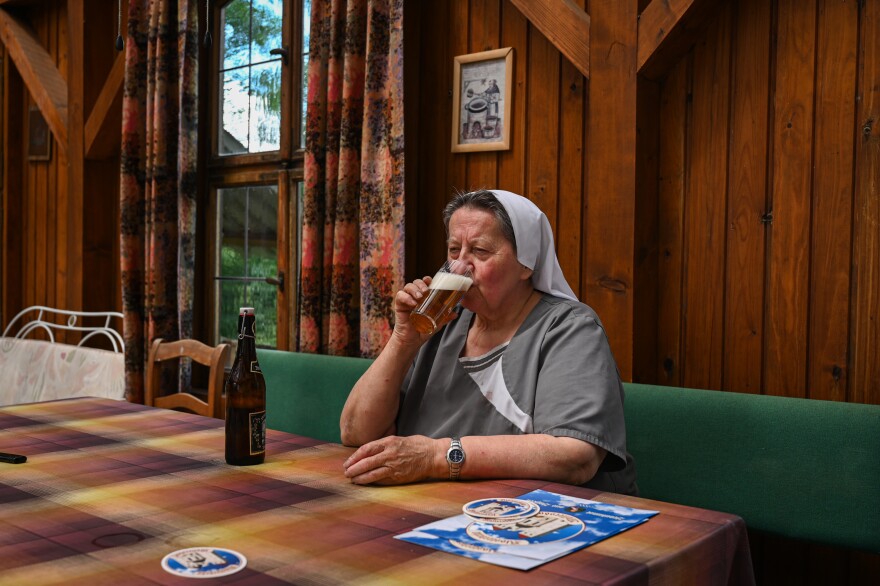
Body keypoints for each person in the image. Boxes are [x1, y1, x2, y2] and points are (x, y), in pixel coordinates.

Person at [340, 189, 637, 494]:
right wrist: (402, 341)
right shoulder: (440, 321)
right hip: (439, 501)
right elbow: (356, 432)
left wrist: (434, 457)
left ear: (527, 264)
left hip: (542, 516)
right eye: (454, 250)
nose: (462, 265)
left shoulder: (569, 328)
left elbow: (576, 457)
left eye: (480, 251)